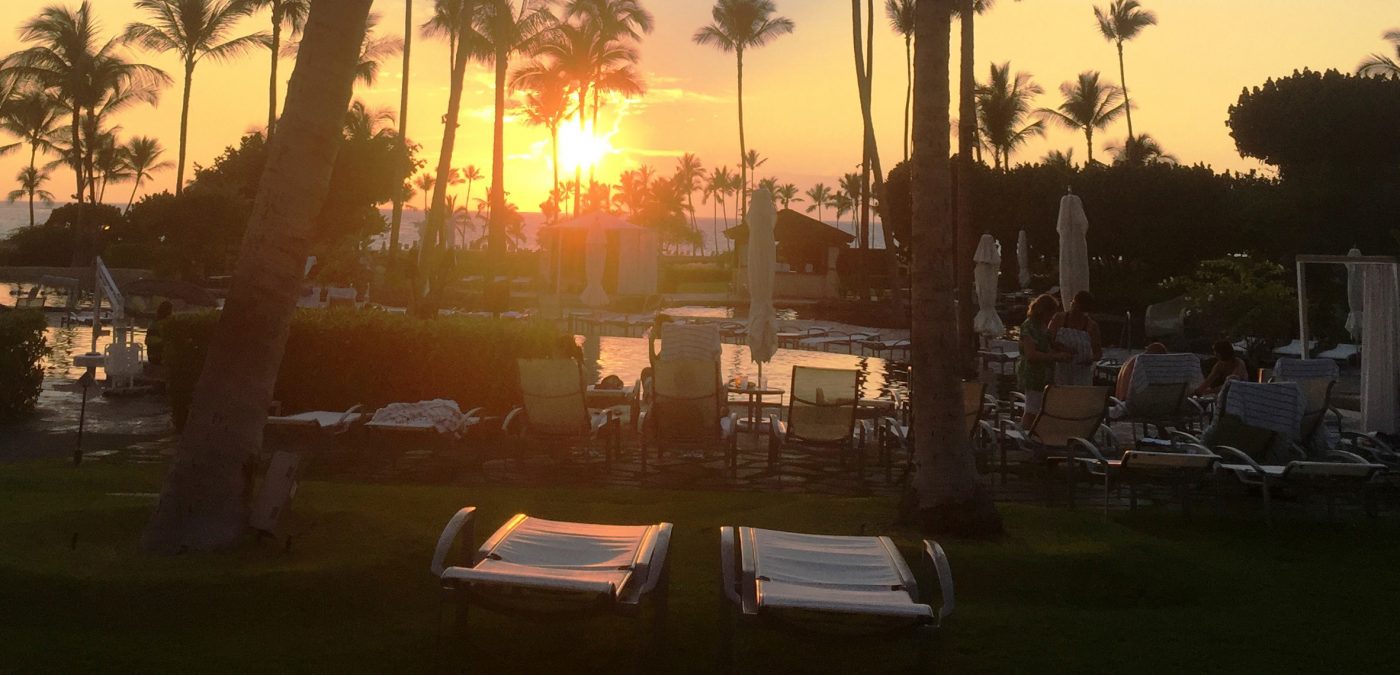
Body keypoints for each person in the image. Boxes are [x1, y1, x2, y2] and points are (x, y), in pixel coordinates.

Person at [1017, 294, 1074, 425]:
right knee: (1032, 410)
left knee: (1042, 409)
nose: (1052, 317)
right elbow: (1031, 354)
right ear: (1043, 311)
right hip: (1033, 374)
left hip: (1046, 375)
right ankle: (1025, 435)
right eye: (1051, 313)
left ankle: (1037, 434)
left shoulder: (1043, 326)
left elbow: (1051, 342)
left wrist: (1065, 349)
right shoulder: (1028, 327)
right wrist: (1056, 356)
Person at [1049, 290, 1102, 386]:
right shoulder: (1059, 318)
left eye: (1079, 309)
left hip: (1082, 373)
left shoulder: (1091, 326)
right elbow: (1048, 340)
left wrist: (1090, 359)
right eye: (1073, 305)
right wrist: (1062, 349)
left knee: (1079, 398)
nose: (1074, 310)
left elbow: (1098, 353)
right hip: (1060, 369)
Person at [145, 301, 174, 367]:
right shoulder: (160, 325)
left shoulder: (154, 323)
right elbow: (149, 341)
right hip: (158, 357)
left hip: (153, 357)